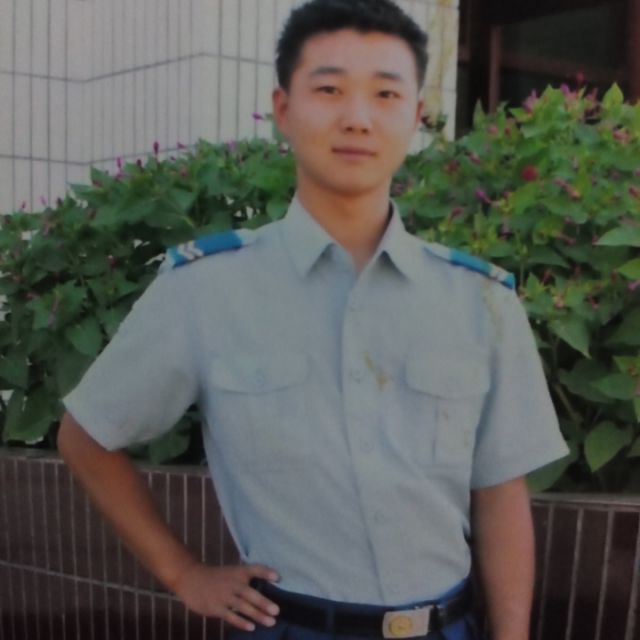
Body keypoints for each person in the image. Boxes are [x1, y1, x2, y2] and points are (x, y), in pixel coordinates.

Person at [57, 1, 569, 639]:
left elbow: (500, 493)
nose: (357, 117)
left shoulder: (479, 302)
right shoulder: (207, 290)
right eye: (329, 90)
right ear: (284, 109)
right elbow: (87, 436)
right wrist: (183, 574)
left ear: (415, 116)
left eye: (385, 93)